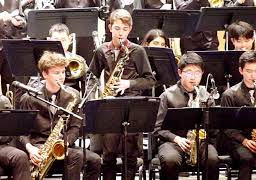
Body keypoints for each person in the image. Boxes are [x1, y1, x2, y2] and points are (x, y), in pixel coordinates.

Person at [88, 9, 156, 179]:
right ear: (110, 27)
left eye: (125, 29)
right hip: (110, 105)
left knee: (130, 154)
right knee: (108, 154)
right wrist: (93, 99)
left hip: (132, 105)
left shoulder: (137, 51)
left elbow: (150, 80)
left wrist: (129, 83)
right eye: (117, 28)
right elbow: (91, 76)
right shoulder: (102, 50)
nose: (121, 33)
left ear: (130, 29)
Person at [19, 51, 101, 180]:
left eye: (63, 72)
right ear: (45, 74)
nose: (61, 76)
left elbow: (75, 127)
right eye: (56, 73)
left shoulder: (73, 95)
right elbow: (21, 131)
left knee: (95, 160)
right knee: (76, 156)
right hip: (39, 144)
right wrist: (30, 149)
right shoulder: (29, 98)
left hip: (63, 143)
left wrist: (65, 143)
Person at [154, 52, 219, 180]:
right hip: (172, 142)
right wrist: (176, 139)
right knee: (170, 160)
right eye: (188, 72)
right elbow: (157, 129)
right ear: (180, 72)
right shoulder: (167, 96)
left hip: (200, 142)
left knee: (212, 159)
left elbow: (215, 128)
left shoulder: (206, 96)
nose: (193, 77)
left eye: (197, 73)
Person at [221, 51, 256, 180]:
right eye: (249, 71)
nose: (254, 75)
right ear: (241, 71)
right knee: (246, 158)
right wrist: (244, 141)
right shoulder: (230, 94)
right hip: (237, 140)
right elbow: (226, 127)